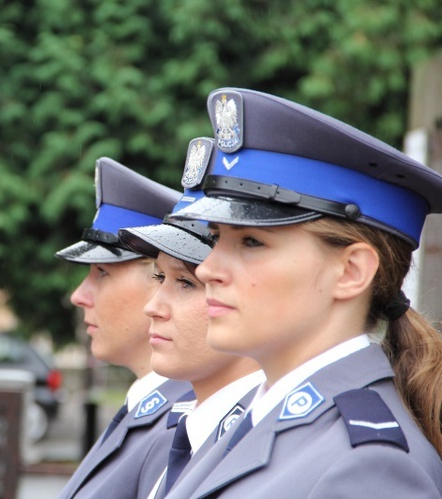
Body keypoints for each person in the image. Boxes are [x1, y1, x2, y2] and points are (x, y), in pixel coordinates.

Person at [164, 88, 442, 498]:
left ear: (351, 271)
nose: (207, 269)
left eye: (252, 243)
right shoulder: (254, 418)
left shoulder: (368, 467)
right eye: (217, 238)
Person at [118, 137, 264, 498]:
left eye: (185, 282)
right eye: (158, 277)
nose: (153, 307)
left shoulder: (263, 442)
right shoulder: (195, 433)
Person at [55, 157, 191, 499]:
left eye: (102, 273)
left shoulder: (181, 425)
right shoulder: (149, 408)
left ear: (161, 277)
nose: (78, 296)